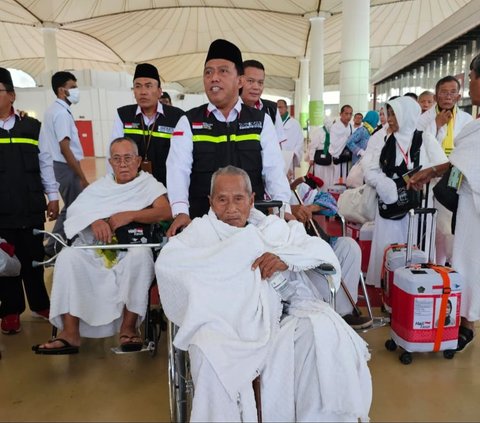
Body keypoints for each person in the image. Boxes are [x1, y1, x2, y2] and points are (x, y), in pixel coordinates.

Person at [156, 165, 372, 422]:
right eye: (222, 199)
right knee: (209, 353)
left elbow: (319, 252)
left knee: (322, 331)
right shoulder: (199, 233)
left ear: (251, 199)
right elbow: (168, 264)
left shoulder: (275, 229)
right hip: (224, 321)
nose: (231, 208)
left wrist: (286, 260)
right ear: (211, 202)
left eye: (238, 198)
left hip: (281, 314)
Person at [32, 137, 172, 354]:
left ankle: (128, 328)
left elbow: (166, 211)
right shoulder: (100, 187)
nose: (123, 164)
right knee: (68, 257)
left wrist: (129, 215)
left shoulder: (149, 184)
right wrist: (94, 220)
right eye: (117, 159)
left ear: (138, 161)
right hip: (97, 249)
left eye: (128, 158)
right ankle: (70, 333)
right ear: (110, 162)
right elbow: (75, 211)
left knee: (141, 255)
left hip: (131, 251)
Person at [166, 39, 292, 235]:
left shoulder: (261, 121)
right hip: (202, 223)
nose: (214, 78)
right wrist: (181, 212)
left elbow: (274, 170)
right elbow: (177, 170)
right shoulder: (189, 121)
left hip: (250, 224)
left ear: (239, 80)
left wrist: (284, 209)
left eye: (223, 71)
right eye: (208, 72)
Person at [408, 53, 480, 351]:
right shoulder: (466, 122)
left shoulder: (469, 122)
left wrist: (432, 170)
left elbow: (464, 159)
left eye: (470, 79)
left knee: (468, 258)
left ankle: (467, 322)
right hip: (460, 195)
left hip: (471, 200)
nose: (468, 87)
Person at [363, 96, 447, 287]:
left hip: (418, 207)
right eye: (388, 113)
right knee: (389, 249)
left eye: (394, 114)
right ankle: (388, 286)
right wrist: (384, 184)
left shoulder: (424, 138)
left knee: (415, 250)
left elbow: (443, 167)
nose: (390, 118)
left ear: (407, 114)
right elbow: (371, 169)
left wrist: (427, 175)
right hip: (391, 206)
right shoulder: (387, 139)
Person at [0, 68, 59, 334]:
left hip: (30, 204)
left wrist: (53, 196)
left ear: (11, 95)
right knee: (5, 263)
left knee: (33, 257)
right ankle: (10, 311)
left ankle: (39, 304)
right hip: (2, 211)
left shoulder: (32, 126)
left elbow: (45, 163)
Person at [289, 179, 373, 330]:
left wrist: (310, 208)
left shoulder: (297, 188)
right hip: (295, 254)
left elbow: (331, 204)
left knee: (350, 247)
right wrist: (290, 209)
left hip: (319, 243)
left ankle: (343, 313)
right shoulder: (264, 192)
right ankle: (324, 316)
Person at [417, 76, 473, 265]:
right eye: (444, 92)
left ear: (458, 96)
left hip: (455, 175)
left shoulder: (466, 119)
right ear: (436, 95)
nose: (448, 97)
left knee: (449, 223)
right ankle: (432, 262)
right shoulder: (425, 118)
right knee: (432, 228)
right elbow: (419, 145)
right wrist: (436, 125)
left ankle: (448, 263)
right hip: (430, 177)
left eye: (452, 93)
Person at [110, 63, 184, 186]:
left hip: (168, 185)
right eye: (138, 86)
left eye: (148, 86)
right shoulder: (123, 115)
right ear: (133, 91)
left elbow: (182, 158)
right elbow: (113, 153)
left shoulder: (177, 117)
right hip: (133, 186)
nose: (143, 92)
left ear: (159, 91)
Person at [39, 71, 88, 257]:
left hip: (61, 166)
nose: (76, 91)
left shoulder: (53, 110)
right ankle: (52, 247)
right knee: (73, 207)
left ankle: (56, 244)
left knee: (71, 206)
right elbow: (65, 147)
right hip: (66, 167)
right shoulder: (61, 113)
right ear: (62, 91)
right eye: (73, 87)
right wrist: (82, 176)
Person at [240, 60, 286, 144]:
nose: (256, 87)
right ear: (239, 81)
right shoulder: (228, 108)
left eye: (260, 82)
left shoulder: (271, 109)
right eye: (250, 81)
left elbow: (277, 146)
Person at [276, 99, 305, 178]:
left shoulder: (294, 123)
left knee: (288, 179)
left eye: (281, 107)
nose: (279, 110)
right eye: (277, 108)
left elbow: (300, 141)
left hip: (289, 156)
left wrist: (294, 153)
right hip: (276, 156)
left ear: (286, 108)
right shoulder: (273, 122)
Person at [330, 105, 353, 185]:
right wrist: (347, 139)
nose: (348, 116)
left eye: (350, 114)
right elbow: (334, 143)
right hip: (338, 157)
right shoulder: (335, 127)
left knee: (347, 179)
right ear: (341, 114)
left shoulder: (350, 126)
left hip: (347, 158)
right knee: (337, 181)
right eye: (346, 114)